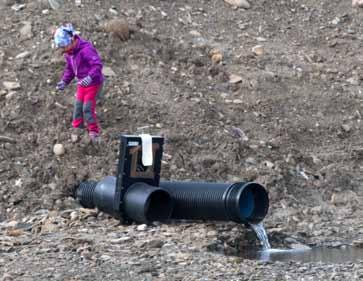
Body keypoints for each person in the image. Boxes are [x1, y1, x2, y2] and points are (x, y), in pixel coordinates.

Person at [54, 23, 104, 144]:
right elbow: (70, 70)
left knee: (87, 108)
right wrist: (64, 81)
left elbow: (97, 65)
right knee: (78, 106)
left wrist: (90, 77)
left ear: (71, 40)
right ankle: (78, 129)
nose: (62, 49)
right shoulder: (69, 54)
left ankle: (94, 132)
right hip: (82, 84)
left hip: (93, 84)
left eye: (63, 46)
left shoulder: (86, 50)